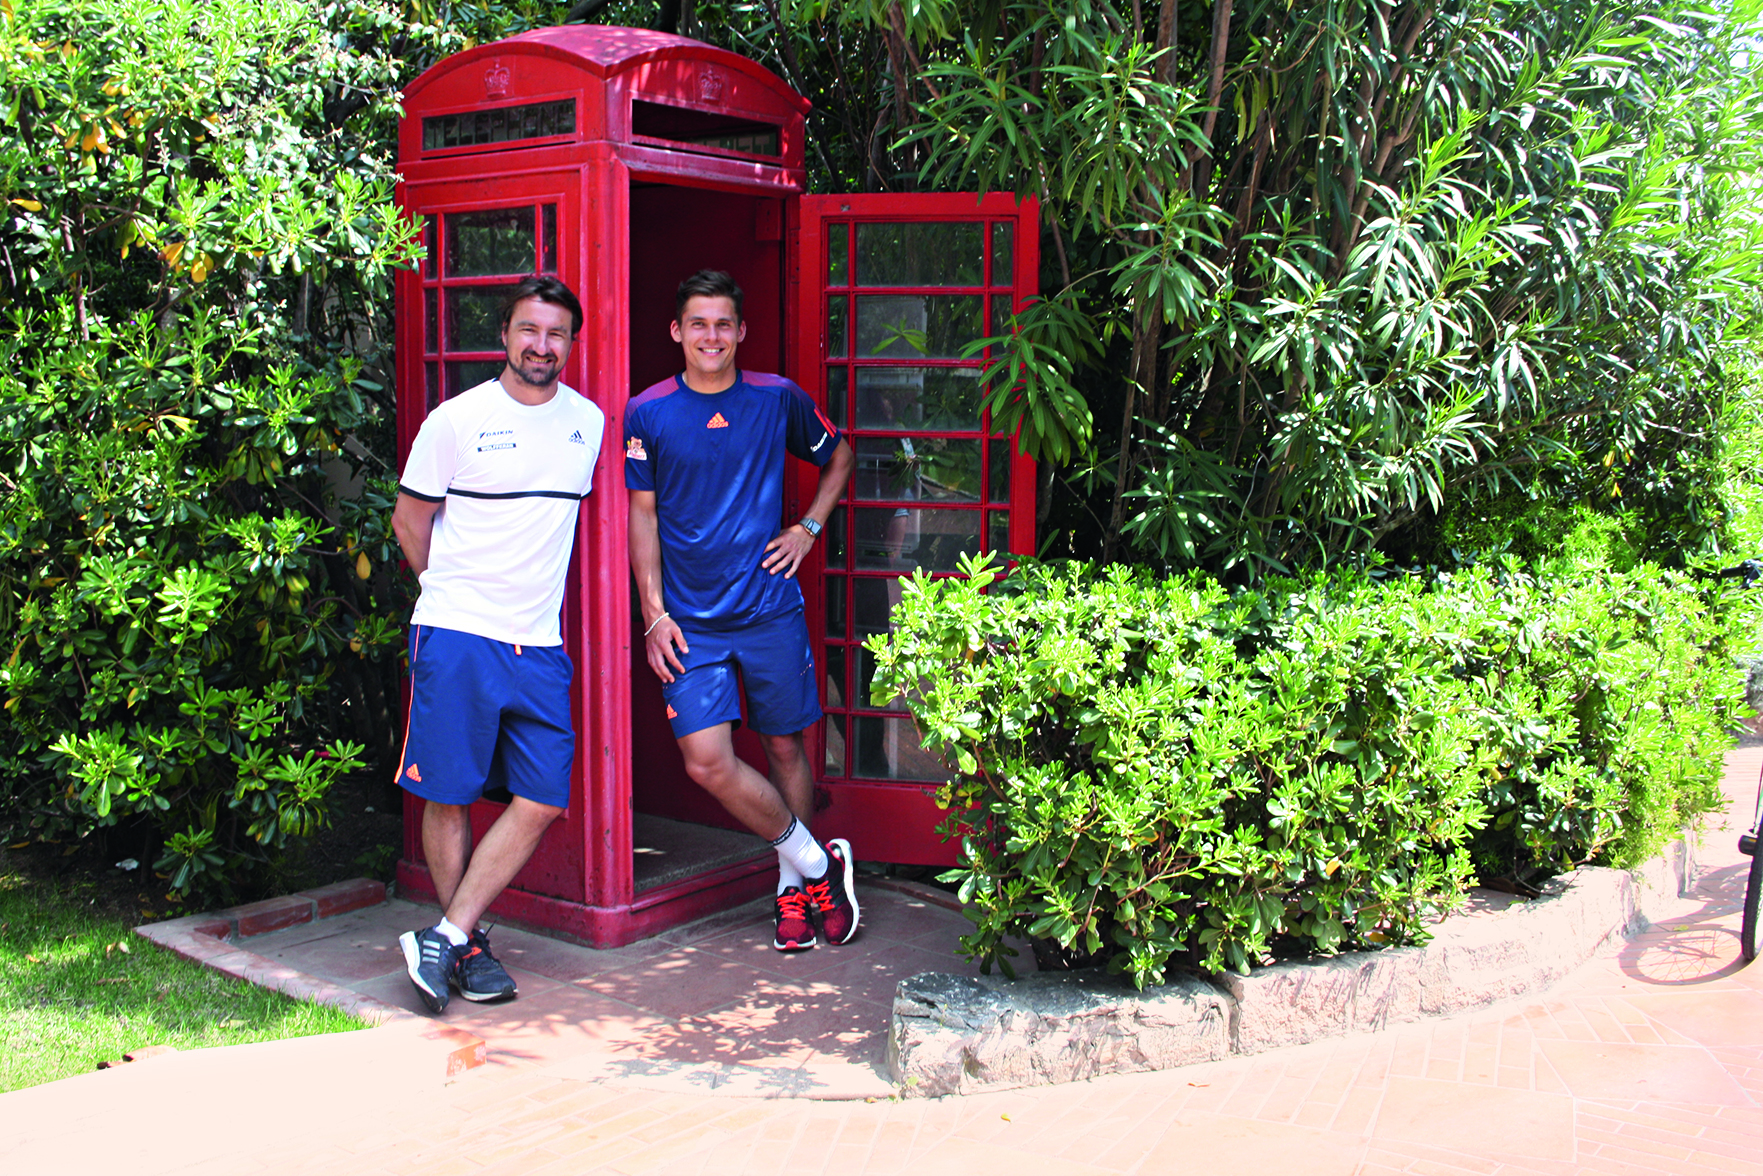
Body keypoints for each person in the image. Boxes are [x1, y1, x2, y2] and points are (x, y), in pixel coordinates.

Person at [625, 269, 859, 952]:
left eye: (723, 324)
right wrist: (653, 615)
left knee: (784, 744)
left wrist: (808, 529)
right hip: (689, 624)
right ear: (676, 331)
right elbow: (642, 520)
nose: (710, 336)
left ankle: (792, 890)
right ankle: (820, 863)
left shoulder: (775, 397)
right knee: (707, 760)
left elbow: (839, 457)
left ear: (741, 332)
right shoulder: (649, 411)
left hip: (767, 609)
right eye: (697, 323)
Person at [390, 275, 605, 1014]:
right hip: (458, 633)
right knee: (449, 794)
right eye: (528, 330)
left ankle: (445, 935)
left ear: (570, 344)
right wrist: (445, 595)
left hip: (538, 644)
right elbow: (409, 523)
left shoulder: (590, 423)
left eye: (555, 335)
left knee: (543, 796)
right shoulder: (456, 420)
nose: (541, 346)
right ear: (505, 336)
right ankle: (469, 946)